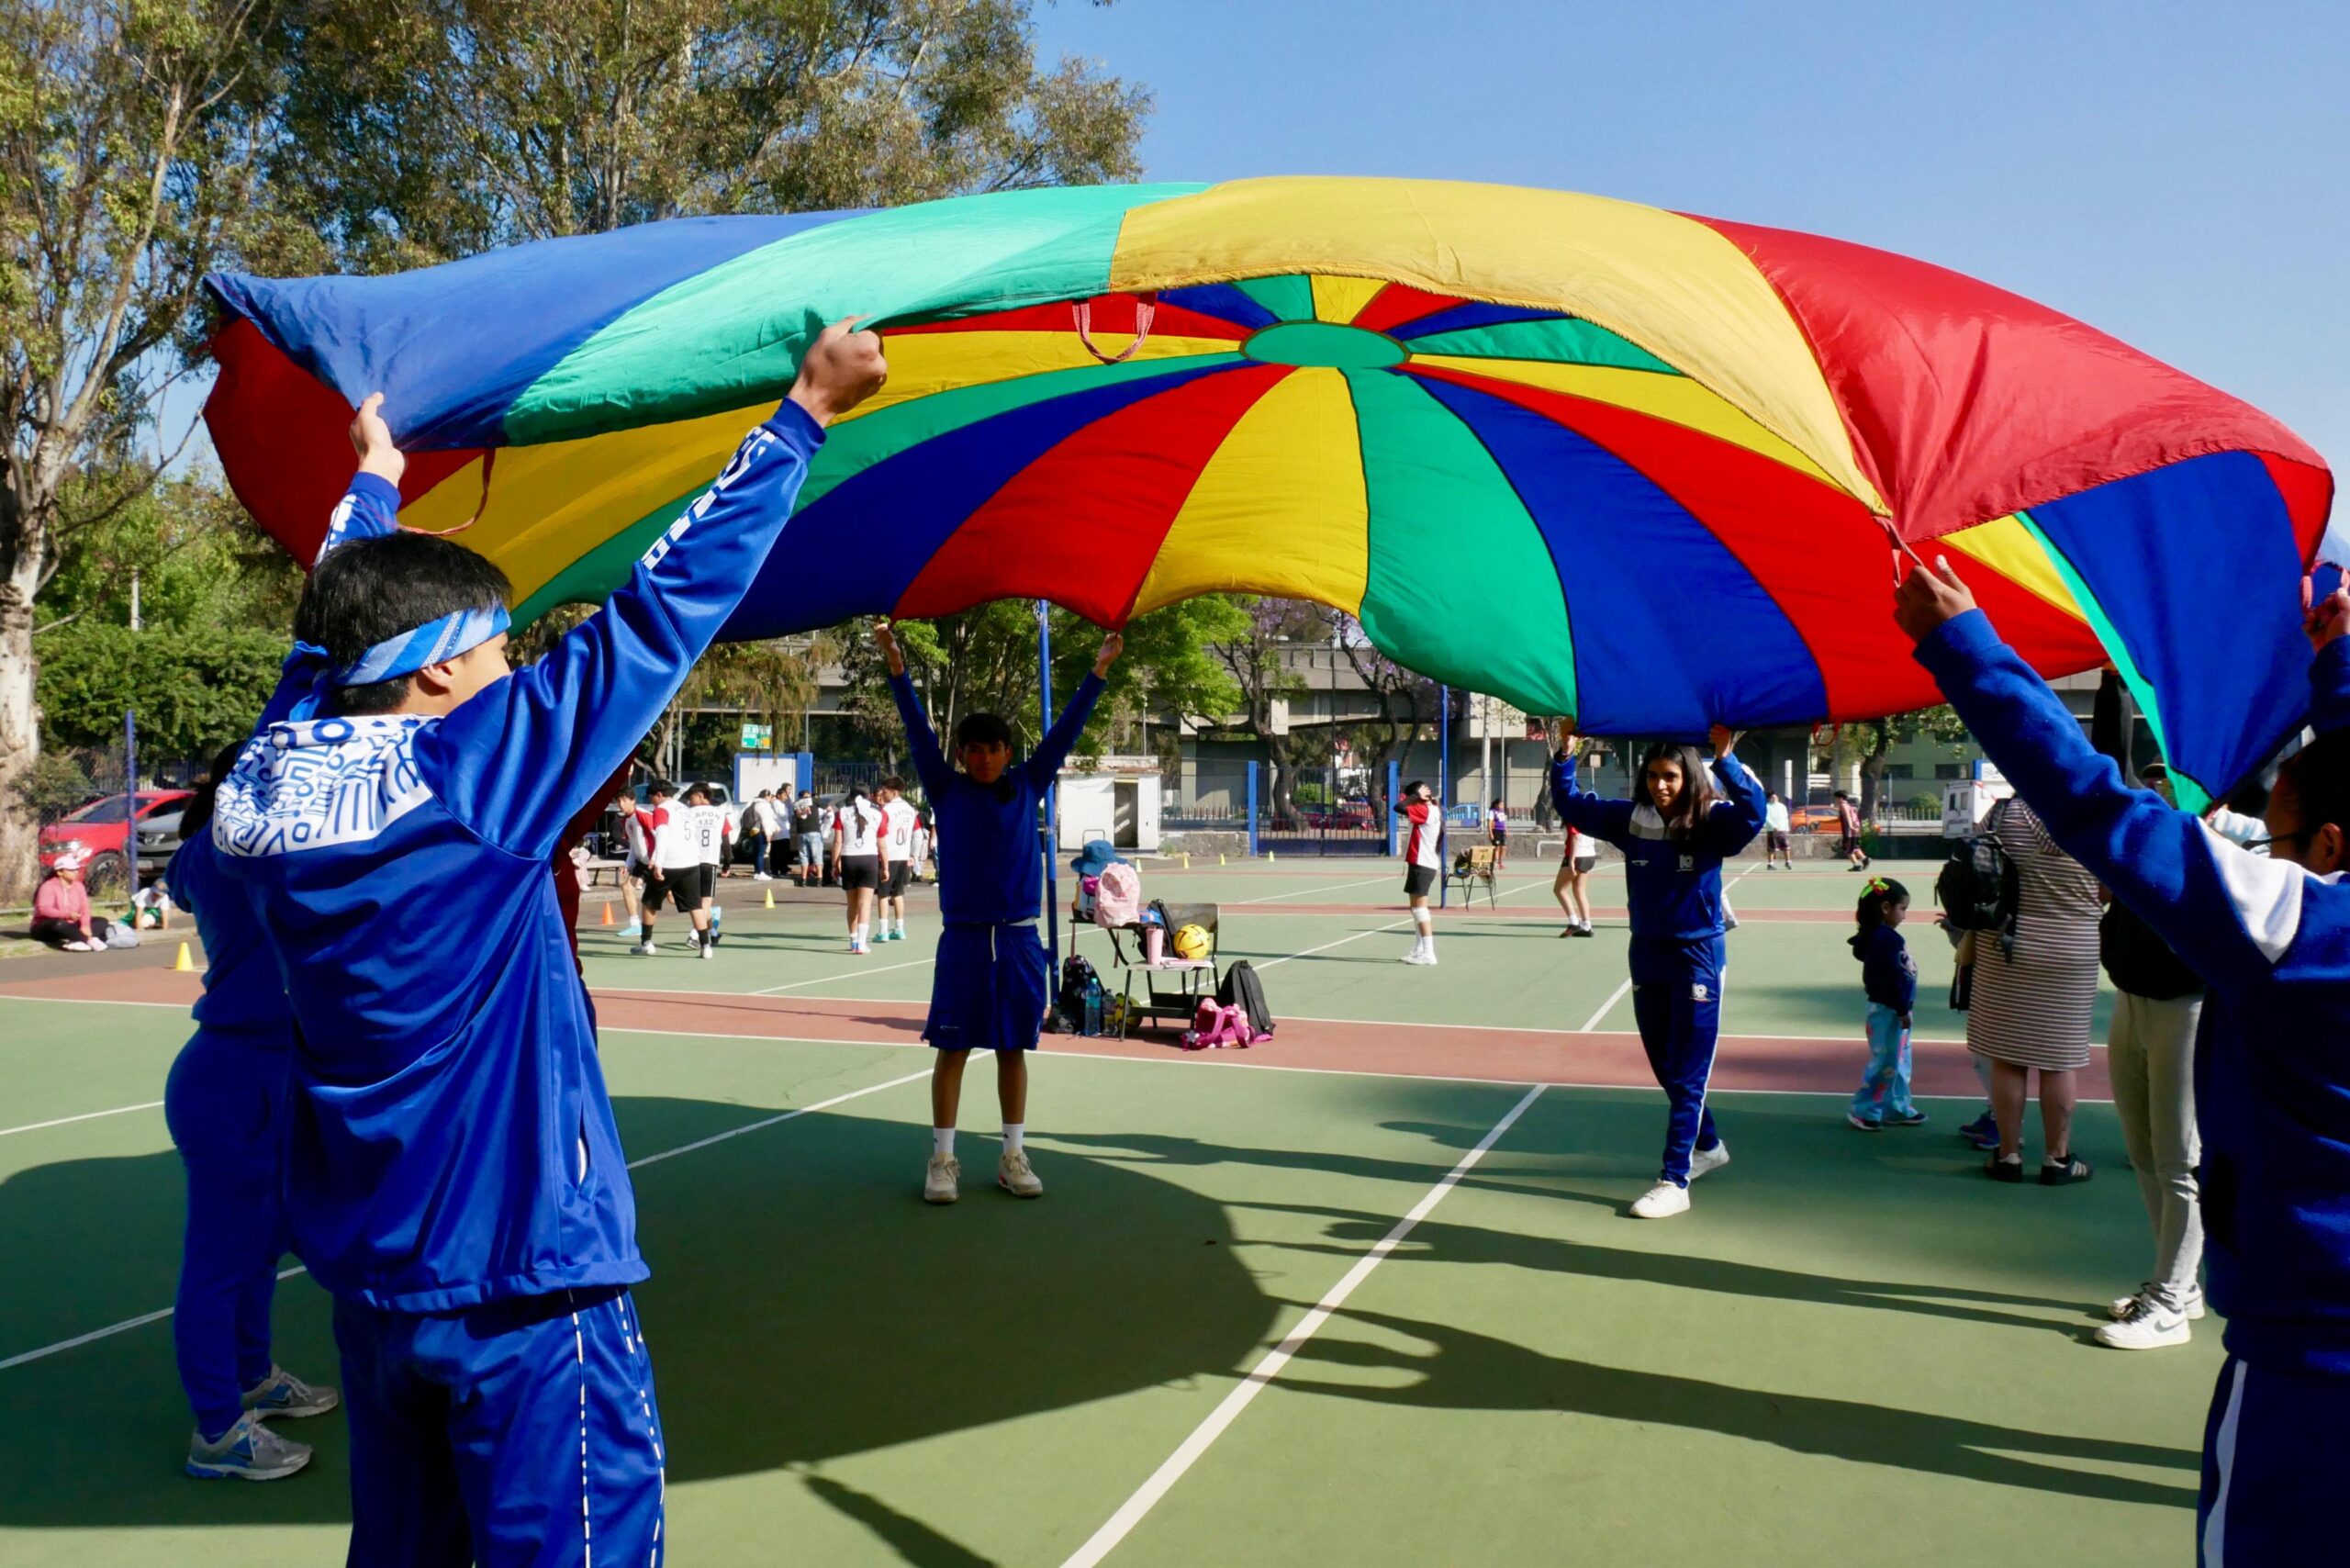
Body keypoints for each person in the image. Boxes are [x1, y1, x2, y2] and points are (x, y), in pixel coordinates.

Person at [213, 323, 882, 1565]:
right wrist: (802, 414)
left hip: (375, 1285)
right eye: (494, 653)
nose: (510, 672)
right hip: (524, 1281)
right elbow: (660, 612)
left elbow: (327, 634)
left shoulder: (265, 773)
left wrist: (374, 482)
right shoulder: (473, 777)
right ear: (431, 676)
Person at [1898, 556, 2350, 1568]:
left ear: (2326, 846)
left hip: (2313, 1365)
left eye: (2275, 841)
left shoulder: (2303, 929)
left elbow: (2102, 811)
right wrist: (2336, 667)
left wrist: (1964, 649)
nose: (2264, 856)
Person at [878, 618, 1121, 1204]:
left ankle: (1013, 1155)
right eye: (974, 750)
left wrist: (1099, 669)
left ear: (1008, 753)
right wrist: (896, 665)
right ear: (961, 755)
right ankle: (942, 1160)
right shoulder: (945, 788)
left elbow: (1067, 730)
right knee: (953, 1049)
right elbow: (916, 728)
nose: (984, 758)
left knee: (1013, 1048)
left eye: (993, 749)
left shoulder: (1030, 783)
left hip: (1017, 940)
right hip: (964, 940)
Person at [166, 746, 341, 1480]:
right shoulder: (233, 855)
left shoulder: (228, 852)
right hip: (233, 1079)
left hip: (272, 1070)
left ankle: (253, 1377)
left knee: (262, 1244)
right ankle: (216, 1430)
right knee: (219, 1262)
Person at [1551, 722, 1765, 1218]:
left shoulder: (1712, 820)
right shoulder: (1631, 820)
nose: (1660, 785)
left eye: (1670, 776)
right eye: (1652, 776)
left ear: (1688, 777)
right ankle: (1708, 1146)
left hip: (1698, 956)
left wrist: (1726, 758)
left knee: (1689, 1073)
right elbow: (1571, 805)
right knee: (1665, 1064)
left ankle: (1674, 1180)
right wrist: (1565, 754)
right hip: (1647, 953)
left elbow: (1753, 813)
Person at [1961, 792, 2101, 1186]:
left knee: (2008, 1058)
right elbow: (2112, 888)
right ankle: (2057, 1159)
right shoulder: (2095, 813)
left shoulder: (2003, 813)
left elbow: (1972, 867)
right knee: (2059, 1059)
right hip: (2073, 947)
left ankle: (2007, 1155)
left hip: (2006, 944)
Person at [1846, 876, 1926, 1131]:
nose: (1904, 915)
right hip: (1888, 1011)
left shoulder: (1886, 937)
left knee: (1900, 1061)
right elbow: (1890, 978)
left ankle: (1896, 1107)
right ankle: (1864, 1110)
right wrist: (1901, 1008)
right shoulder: (1884, 939)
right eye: (1902, 909)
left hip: (1898, 1010)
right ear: (1885, 908)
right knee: (1885, 1063)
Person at [636, 780, 713, 958]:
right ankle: (706, 946)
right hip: (691, 862)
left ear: (659, 795)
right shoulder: (685, 809)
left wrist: (658, 863)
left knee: (649, 902)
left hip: (670, 863)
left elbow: (662, 835)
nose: (651, 801)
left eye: (651, 797)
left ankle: (646, 943)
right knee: (695, 906)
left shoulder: (662, 810)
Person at [832, 784, 886, 954]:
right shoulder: (877, 814)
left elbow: (838, 841)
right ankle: (862, 943)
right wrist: (885, 866)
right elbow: (882, 844)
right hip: (869, 858)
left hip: (849, 858)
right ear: (869, 796)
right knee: (865, 904)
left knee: (852, 903)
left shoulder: (842, 813)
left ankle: (853, 940)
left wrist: (834, 864)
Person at [1393, 779, 1441, 964]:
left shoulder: (1424, 810)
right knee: (1416, 909)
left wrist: (1415, 796)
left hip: (1422, 864)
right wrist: (1417, 796)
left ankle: (1429, 953)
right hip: (1422, 863)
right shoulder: (1433, 809)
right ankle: (1419, 949)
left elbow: (1398, 807)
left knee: (1420, 909)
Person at [30, 850, 102, 950]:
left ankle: (77, 938)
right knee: (59, 924)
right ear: (60, 872)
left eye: (76, 869)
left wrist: (85, 925)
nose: (76, 872)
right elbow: (44, 910)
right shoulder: (48, 886)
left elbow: (84, 908)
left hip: (71, 923)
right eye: (71, 870)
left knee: (102, 921)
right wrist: (68, 915)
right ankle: (87, 940)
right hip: (47, 926)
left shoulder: (79, 886)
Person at [876, 775, 919, 942]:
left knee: (883, 894)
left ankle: (883, 931)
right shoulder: (910, 809)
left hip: (889, 856)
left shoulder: (886, 811)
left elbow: (880, 833)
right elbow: (917, 833)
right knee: (898, 893)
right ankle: (900, 929)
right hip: (903, 855)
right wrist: (913, 855)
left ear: (894, 792)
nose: (883, 794)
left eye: (885, 791)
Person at [687, 783, 730, 943]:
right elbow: (726, 841)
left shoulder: (688, 814)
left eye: (691, 798)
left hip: (691, 861)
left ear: (700, 796)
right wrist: (727, 864)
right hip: (709, 860)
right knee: (706, 901)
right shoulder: (720, 814)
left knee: (699, 901)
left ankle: (713, 933)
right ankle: (694, 934)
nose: (689, 802)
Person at [1553, 818, 1596, 937]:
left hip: (1578, 855)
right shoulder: (1587, 816)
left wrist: (1571, 860)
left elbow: (1575, 837)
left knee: (1559, 890)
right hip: (1589, 855)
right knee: (1579, 891)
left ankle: (1574, 923)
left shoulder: (1574, 815)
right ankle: (1587, 926)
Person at [792, 788, 826, 888]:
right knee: (817, 855)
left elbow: (797, 815)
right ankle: (819, 879)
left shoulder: (796, 803)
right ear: (809, 794)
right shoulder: (814, 800)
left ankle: (804, 879)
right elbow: (828, 808)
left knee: (803, 856)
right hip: (814, 831)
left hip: (801, 832)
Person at [750, 788, 785, 880]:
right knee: (761, 853)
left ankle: (757, 872)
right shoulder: (763, 805)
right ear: (766, 796)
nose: (771, 798)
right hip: (761, 831)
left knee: (758, 853)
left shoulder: (756, 804)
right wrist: (768, 834)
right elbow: (766, 821)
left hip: (755, 831)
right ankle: (760, 872)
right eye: (770, 796)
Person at [1834, 789, 1868, 870]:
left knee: (1848, 849)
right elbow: (1840, 819)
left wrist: (1851, 826)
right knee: (1854, 847)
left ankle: (1857, 865)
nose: (1835, 800)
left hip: (1849, 831)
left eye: (1836, 798)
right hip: (1854, 830)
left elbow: (1848, 816)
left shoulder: (1843, 806)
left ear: (1840, 798)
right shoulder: (1848, 805)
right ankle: (1865, 859)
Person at [1763, 790, 1794, 869]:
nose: (1775, 798)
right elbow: (1767, 818)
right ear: (1769, 798)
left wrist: (1786, 828)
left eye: (1775, 797)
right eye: (1772, 797)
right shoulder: (1767, 806)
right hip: (1771, 830)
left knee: (1786, 846)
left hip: (1782, 830)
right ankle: (1770, 864)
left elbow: (1785, 818)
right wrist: (1773, 826)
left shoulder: (1782, 806)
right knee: (1772, 848)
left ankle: (1788, 863)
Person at [1488, 797, 1509, 870]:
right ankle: (1495, 863)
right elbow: (1489, 823)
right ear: (1496, 805)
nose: (1502, 806)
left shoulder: (1502, 811)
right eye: (1501, 805)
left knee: (1503, 847)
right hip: (1496, 831)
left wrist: (1506, 831)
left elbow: (1503, 822)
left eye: (1503, 805)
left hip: (1502, 831)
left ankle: (1500, 863)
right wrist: (1491, 833)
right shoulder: (1492, 812)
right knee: (1497, 847)